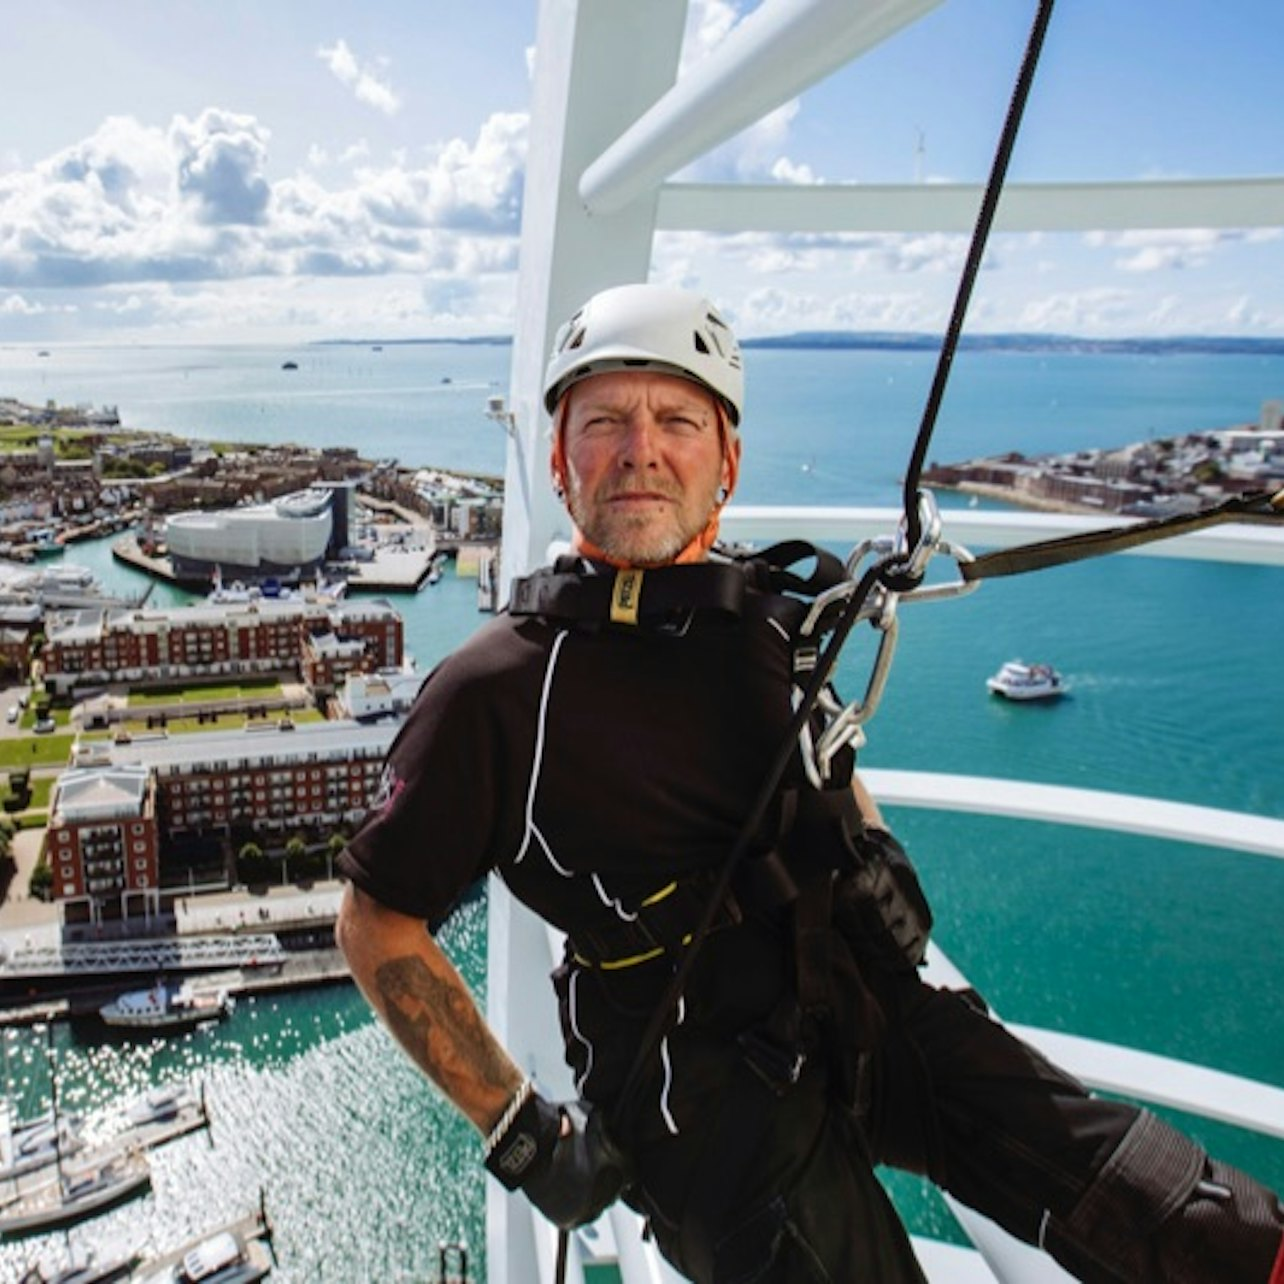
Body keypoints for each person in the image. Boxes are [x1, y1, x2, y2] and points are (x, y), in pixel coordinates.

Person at [336, 283, 1284, 1284]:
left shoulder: (772, 625)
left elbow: (824, 768)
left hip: (861, 995)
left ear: (728, 464)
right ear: (562, 468)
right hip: (694, 1088)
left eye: (676, 421)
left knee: (1177, 1211)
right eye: (604, 422)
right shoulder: (498, 689)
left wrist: (873, 861)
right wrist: (520, 1131)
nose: (639, 450)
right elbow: (376, 918)